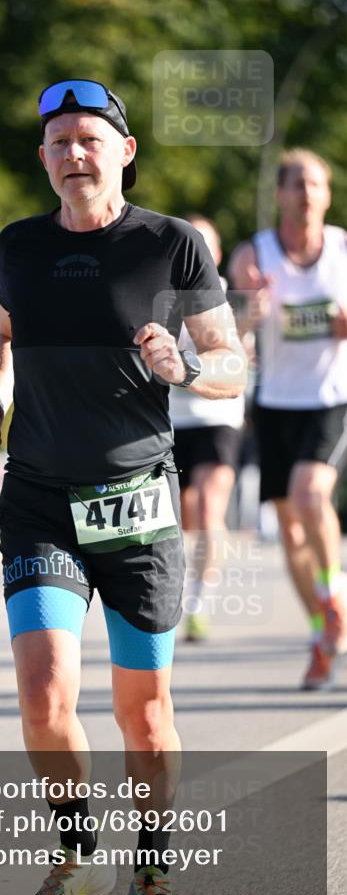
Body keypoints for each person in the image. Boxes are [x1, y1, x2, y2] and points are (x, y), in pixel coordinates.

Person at [0, 79, 247, 895]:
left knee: (145, 717)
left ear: (123, 151)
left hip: (137, 499)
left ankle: (152, 865)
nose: (72, 155)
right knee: (44, 694)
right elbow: (6, 335)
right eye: (57, 143)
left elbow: (232, 364)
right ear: (43, 159)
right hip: (40, 497)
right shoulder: (18, 245)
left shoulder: (171, 245)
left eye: (88, 139)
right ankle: (75, 856)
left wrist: (187, 368)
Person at [229, 148, 347, 691]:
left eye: (315, 184)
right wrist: (250, 305)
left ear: (327, 194)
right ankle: (323, 630)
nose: (306, 193)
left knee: (309, 494)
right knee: (290, 531)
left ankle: (332, 591)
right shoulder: (254, 254)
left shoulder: (343, 252)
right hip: (274, 402)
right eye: (296, 183)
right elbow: (226, 331)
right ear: (278, 194)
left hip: (330, 398)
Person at [169, 216, 245, 641]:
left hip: (218, 417)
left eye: (205, 241)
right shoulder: (158, 291)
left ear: (214, 252)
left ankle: (199, 603)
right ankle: (179, 590)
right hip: (173, 419)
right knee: (181, 513)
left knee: (207, 506)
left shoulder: (228, 296)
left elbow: (239, 355)